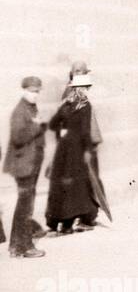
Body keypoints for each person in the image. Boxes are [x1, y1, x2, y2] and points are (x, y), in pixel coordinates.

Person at [45, 68, 105, 232]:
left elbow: (53, 124)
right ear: (80, 88)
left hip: (63, 149)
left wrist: (64, 131)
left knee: (62, 184)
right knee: (76, 186)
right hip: (77, 149)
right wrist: (87, 150)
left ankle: (59, 222)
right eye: (85, 88)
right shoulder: (85, 105)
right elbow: (85, 131)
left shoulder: (66, 104)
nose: (86, 90)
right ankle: (69, 224)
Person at [4, 76, 47, 258]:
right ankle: (25, 247)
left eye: (37, 91)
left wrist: (40, 126)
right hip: (23, 165)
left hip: (30, 163)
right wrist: (37, 126)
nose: (35, 95)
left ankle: (16, 247)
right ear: (24, 91)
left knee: (25, 204)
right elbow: (18, 137)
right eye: (31, 91)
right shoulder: (20, 110)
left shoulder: (30, 107)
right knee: (25, 206)